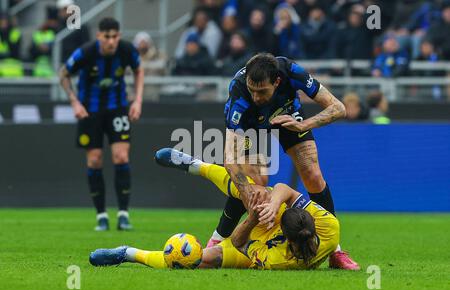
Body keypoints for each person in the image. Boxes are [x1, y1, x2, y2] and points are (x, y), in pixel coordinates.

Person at [211, 53, 359, 270]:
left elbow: (338, 108)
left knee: (313, 175)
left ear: (277, 81)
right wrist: (247, 192)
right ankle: (217, 239)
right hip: (251, 126)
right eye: (252, 90)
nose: (256, 97)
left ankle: (335, 252)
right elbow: (230, 160)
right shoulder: (239, 91)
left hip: (288, 118)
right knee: (254, 182)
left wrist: (303, 124)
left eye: (262, 92)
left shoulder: (292, 72)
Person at [90, 149, 345, 270]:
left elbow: (237, 241)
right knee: (250, 189)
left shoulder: (279, 262)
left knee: (194, 260)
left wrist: (254, 219)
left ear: (287, 236)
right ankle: (196, 165)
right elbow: (285, 189)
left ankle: (128, 253)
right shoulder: (328, 225)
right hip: (276, 223)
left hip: (252, 242)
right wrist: (276, 204)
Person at [59, 17, 144, 231]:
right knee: (95, 160)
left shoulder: (126, 50)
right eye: (107, 37)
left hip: (117, 108)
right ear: (99, 36)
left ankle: (123, 215)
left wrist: (138, 100)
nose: (111, 41)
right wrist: (74, 102)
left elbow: (139, 69)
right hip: (90, 111)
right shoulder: (86, 53)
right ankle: (101, 216)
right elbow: (63, 74)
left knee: (121, 156)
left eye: (115, 36)